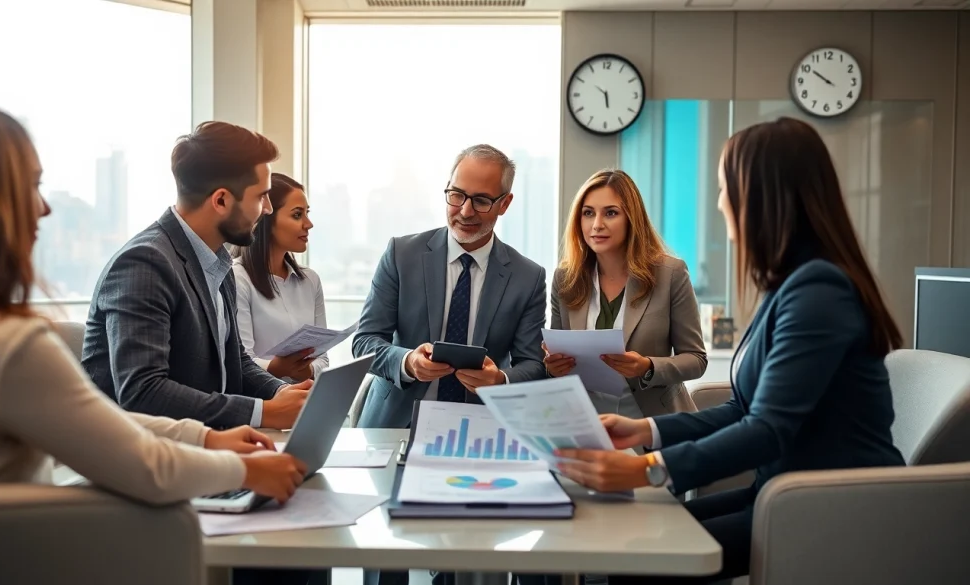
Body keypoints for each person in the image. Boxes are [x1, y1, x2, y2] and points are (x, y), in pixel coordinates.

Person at [554, 117, 906, 584]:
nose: (720, 203)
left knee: (634, 562)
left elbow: (766, 430)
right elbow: (744, 408)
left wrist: (646, 470)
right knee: (629, 544)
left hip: (831, 507)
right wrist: (643, 429)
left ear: (760, 198)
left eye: (725, 189)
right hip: (783, 492)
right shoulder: (790, 285)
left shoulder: (818, 290)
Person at [0, 103, 307, 509]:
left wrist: (214, 435)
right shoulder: (13, 344)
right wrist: (244, 462)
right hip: (110, 513)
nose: (44, 208)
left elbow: (96, 422)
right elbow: (138, 431)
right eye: (30, 187)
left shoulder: (218, 263)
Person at [353, 144, 548, 585]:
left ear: (505, 204)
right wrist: (407, 362)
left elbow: (534, 365)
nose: (464, 210)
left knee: (472, 564)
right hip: (397, 429)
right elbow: (366, 342)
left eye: (481, 200)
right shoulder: (401, 253)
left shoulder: (527, 275)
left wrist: (499, 378)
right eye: (455, 194)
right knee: (386, 562)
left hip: (477, 437)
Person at [81, 121, 311, 431]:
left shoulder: (217, 262)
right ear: (221, 200)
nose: (268, 209)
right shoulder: (144, 264)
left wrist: (282, 393)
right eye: (261, 196)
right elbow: (142, 393)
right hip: (143, 463)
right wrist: (263, 413)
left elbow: (236, 363)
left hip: (200, 450)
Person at [546, 169, 706, 418]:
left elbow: (696, 359)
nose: (597, 224)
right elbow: (558, 360)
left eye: (610, 213)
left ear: (632, 218)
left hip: (653, 422)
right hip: (587, 421)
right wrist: (554, 368)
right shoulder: (565, 279)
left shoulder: (670, 274)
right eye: (588, 213)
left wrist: (648, 367)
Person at [232, 172, 328, 383]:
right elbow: (240, 361)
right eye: (297, 215)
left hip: (305, 401)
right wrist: (276, 368)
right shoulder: (238, 278)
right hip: (264, 405)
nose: (308, 224)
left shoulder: (311, 281)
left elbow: (323, 360)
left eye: (307, 213)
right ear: (267, 219)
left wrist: (307, 371)